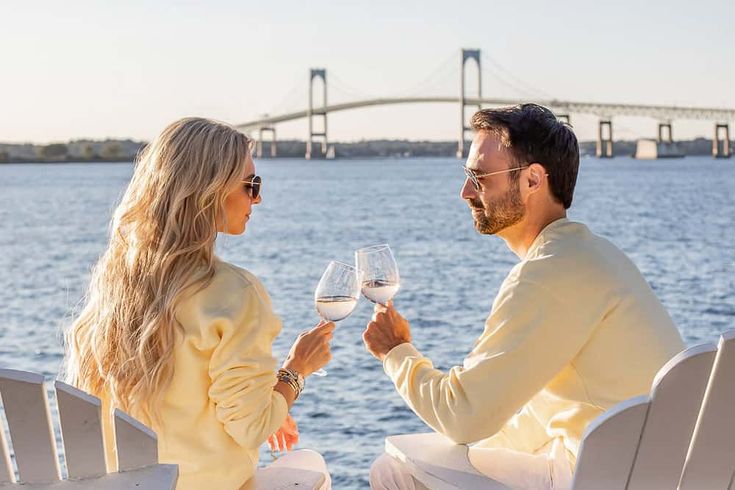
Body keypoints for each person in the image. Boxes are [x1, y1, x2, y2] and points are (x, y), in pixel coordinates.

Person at [364, 104, 685, 490]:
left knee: (394, 470)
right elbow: (545, 409)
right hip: (646, 469)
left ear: (533, 180)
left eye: (479, 177)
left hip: (599, 475)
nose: (465, 192)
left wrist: (396, 352)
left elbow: (462, 416)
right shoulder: (596, 256)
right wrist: (471, 449)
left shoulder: (547, 273)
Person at [64, 117, 333, 490]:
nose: (258, 197)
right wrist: (295, 371)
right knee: (312, 464)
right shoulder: (234, 293)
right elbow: (251, 427)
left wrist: (270, 402)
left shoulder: (116, 288)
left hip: (127, 483)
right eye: (251, 185)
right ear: (210, 190)